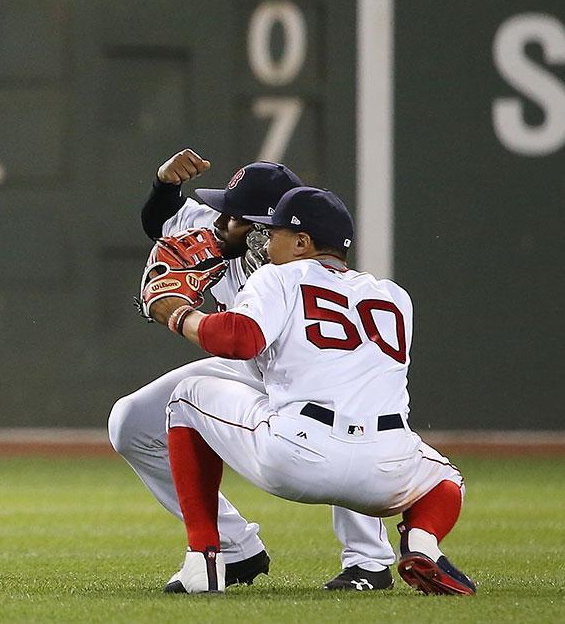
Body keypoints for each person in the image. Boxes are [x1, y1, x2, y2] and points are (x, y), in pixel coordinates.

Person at [140, 186, 476, 596]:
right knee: (446, 478)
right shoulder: (394, 295)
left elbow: (238, 340)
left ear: (302, 242)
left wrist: (175, 313)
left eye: (277, 232)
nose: (267, 241)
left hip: (299, 451)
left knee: (186, 397)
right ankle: (422, 542)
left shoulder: (279, 275)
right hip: (387, 468)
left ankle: (205, 559)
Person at [111, 150, 398, 591]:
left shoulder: (310, 271)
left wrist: (178, 314)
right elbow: (161, 219)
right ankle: (234, 547)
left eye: (234, 216)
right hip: (246, 365)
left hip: (312, 375)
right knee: (130, 422)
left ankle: (369, 560)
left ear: (271, 230)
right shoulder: (222, 229)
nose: (218, 222)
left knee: (348, 420)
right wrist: (165, 185)